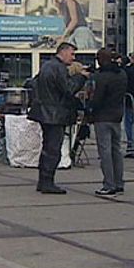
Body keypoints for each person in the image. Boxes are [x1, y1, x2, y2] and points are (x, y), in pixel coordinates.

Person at [28, 42, 87, 194]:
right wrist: (81, 77)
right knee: (53, 148)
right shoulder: (58, 68)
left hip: (46, 111)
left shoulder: (47, 66)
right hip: (54, 113)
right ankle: (47, 181)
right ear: (63, 52)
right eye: (72, 54)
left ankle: (44, 180)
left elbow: (33, 83)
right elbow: (69, 89)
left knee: (48, 147)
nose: (73, 58)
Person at [89, 48, 128, 196]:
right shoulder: (122, 74)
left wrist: (90, 109)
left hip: (102, 116)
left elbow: (97, 98)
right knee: (116, 150)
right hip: (117, 114)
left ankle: (108, 184)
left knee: (105, 152)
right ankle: (119, 182)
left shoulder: (101, 77)